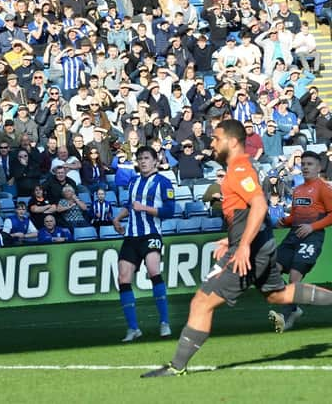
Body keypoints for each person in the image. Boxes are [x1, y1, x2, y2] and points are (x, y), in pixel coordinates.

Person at [142, 121, 332, 378]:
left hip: (251, 249)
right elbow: (250, 211)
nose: (211, 142)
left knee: (201, 303)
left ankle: (177, 366)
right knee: (277, 295)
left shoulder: (240, 167)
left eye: (216, 138)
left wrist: (242, 246)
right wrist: (232, 240)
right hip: (256, 244)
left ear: (231, 141)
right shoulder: (236, 168)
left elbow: (259, 206)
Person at [112, 145, 175, 342]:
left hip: (151, 234)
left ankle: (164, 322)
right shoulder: (134, 181)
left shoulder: (164, 183)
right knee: (123, 278)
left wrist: (145, 208)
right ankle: (133, 328)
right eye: (140, 158)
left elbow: (169, 211)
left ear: (155, 161)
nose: (143, 161)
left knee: (153, 269)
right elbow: (130, 206)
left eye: (146, 158)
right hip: (131, 235)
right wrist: (117, 219)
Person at [268, 151, 332, 332]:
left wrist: (313, 227)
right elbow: (296, 215)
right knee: (272, 271)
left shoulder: (323, 188)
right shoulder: (298, 190)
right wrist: (285, 221)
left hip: (311, 237)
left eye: (310, 164)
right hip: (293, 235)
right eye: (303, 164)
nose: (305, 167)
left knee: (294, 278)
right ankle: (294, 309)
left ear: (319, 168)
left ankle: (287, 317)